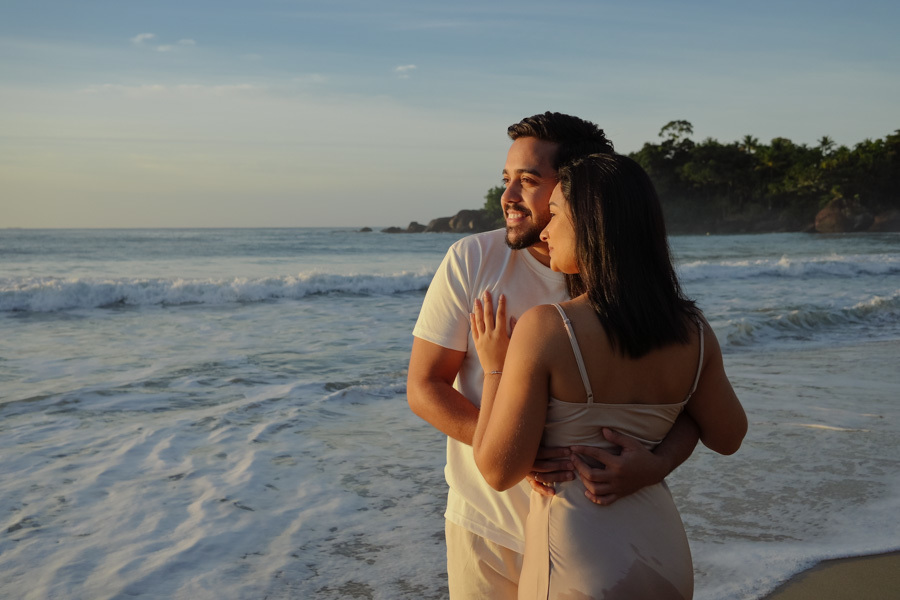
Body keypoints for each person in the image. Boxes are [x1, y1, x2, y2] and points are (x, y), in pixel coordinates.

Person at [407, 113, 703, 599]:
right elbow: (424, 387)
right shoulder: (472, 260)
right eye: (506, 180)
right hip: (489, 526)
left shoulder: (615, 280)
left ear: (576, 189)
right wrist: (516, 454)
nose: (508, 197)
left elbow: (695, 402)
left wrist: (658, 464)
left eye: (528, 181)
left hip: (597, 534)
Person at [469, 153, 748, 599]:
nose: (544, 230)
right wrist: (657, 462)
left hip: (581, 565)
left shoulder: (548, 329)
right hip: (664, 558)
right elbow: (728, 433)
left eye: (555, 214)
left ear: (592, 225)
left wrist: (495, 367)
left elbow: (499, 470)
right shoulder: (693, 330)